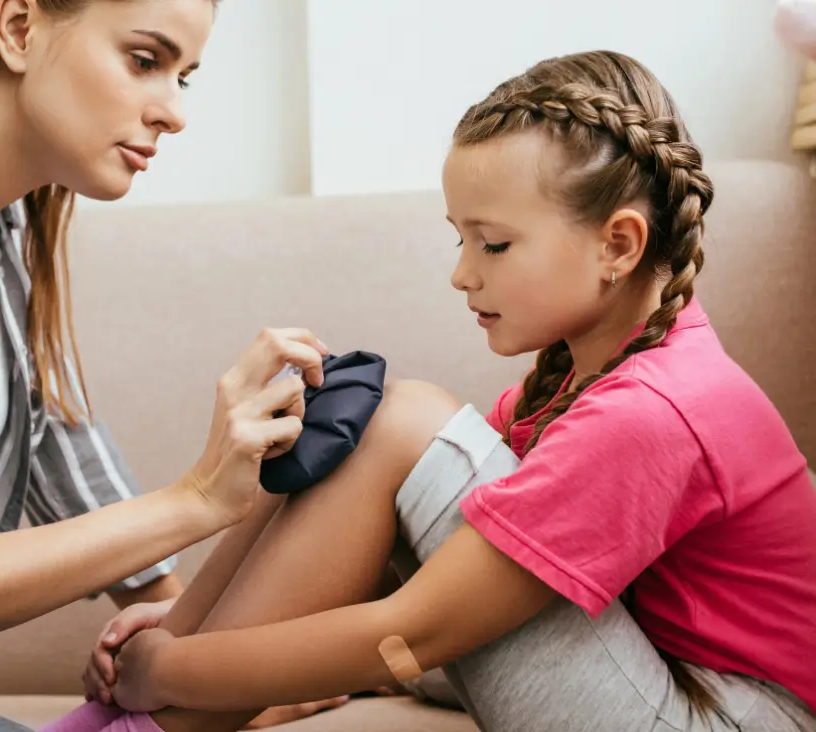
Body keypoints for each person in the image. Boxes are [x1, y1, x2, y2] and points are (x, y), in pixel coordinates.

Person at [59, 51, 816, 732]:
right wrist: (192, 625)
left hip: (730, 715)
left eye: (494, 243)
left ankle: (154, 718)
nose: (463, 273)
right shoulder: (574, 386)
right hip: (660, 678)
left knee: (404, 421)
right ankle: (167, 679)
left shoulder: (653, 413)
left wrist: (169, 669)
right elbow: (373, 548)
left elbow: (413, 631)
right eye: (460, 239)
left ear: (617, 245)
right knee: (366, 423)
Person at [0, 0, 359, 729]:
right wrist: (194, 498)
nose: (173, 113)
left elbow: (62, 461)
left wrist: (195, 650)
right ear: (18, 28)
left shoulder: (6, 230)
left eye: (184, 78)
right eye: (144, 60)